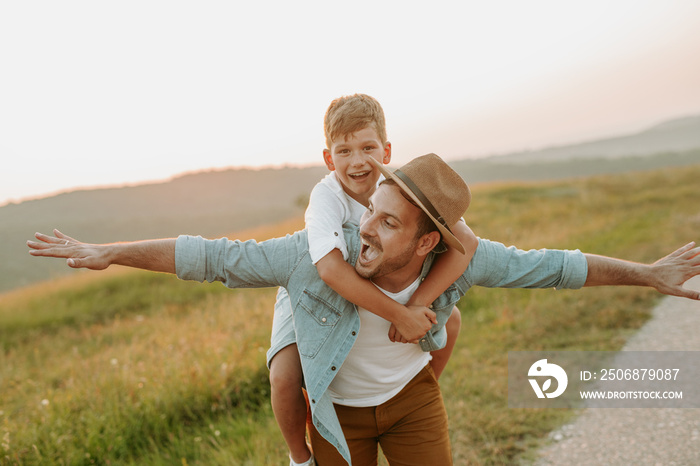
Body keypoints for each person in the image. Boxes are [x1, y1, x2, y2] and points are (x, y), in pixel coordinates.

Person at [27, 154, 700, 465]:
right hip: (335, 419)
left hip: (411, 406)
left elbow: (556, 268)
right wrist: (109, 250)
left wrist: (649, 274)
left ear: (428, 241)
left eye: (387, 224)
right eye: (368, 214)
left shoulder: (459, 264)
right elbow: (210, 255)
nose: (365, 231)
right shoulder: (315, 253)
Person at [269, 94, 477, 466]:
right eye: (344, 151)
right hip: (312, 288)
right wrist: (399, 315)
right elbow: (329, 270)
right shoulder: (325, 196)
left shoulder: (403, 186)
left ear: (386, 150)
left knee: (453, 320)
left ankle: (416, 391)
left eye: (367, 147)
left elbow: (468, 240)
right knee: (284, 375)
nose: (357, 161)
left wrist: (417, 303)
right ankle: (300, 457)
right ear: (329, 159)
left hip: (381, 277)